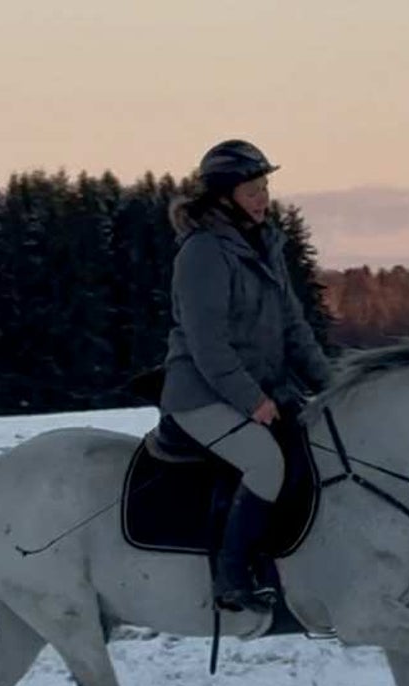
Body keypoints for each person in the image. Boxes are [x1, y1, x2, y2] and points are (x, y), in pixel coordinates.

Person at [159, 139, 332, 614]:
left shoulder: (265, 245)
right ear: (223, 195)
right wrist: (252, 399)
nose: (263, 199)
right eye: (252, 190)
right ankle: (232, 575)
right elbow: (207, 344)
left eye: (265, 188)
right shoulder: (202, 252)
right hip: (201, 396)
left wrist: (335, 387)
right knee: (266, 464)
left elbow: (295, 327)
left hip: (263, 391)